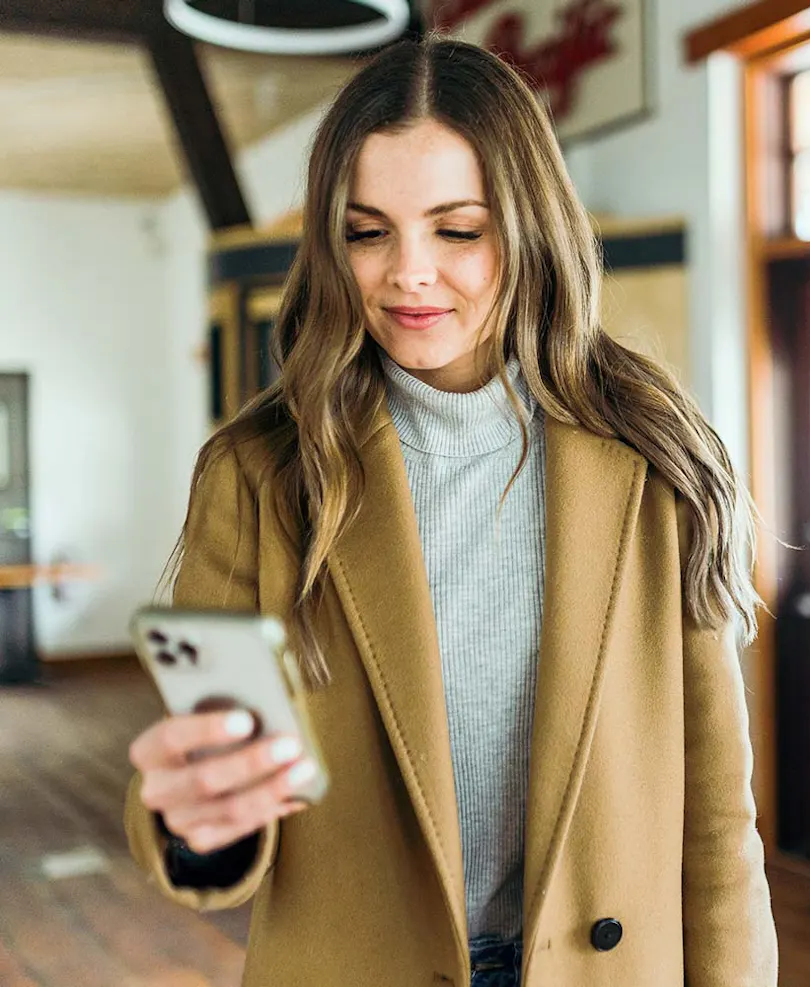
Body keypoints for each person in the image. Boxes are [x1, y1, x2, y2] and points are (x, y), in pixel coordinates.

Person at [124, 35, 776, 987]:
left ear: (530, 227)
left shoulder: (655, 456)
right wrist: (196, 824)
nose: (408, 274)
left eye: (457, 230)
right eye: (367, 230)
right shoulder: (259, 473)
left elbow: (717, 819)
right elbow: (201, 788)